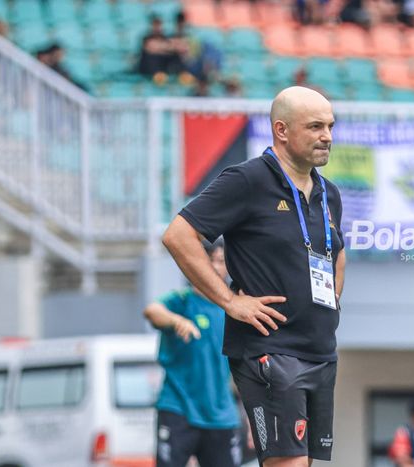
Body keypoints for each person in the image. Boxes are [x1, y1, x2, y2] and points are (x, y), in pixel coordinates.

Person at [162, 86, 346, 467]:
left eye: (329, 125)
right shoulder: (247, 180)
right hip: (270, 350)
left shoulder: (329, 193)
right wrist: (230, 301)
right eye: (314, 127)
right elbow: (178, 235)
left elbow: (338, 254)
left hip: (320, 350)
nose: (327, 136)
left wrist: (331, 305)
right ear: (281, 130)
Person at [144, 240, 242, 467]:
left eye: (221, 261)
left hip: (222, 415)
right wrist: (176, 320)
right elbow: (152, 311)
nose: (216, 268)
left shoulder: (234, 308)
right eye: (211, 261)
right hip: (178, 408)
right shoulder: (183, 300)